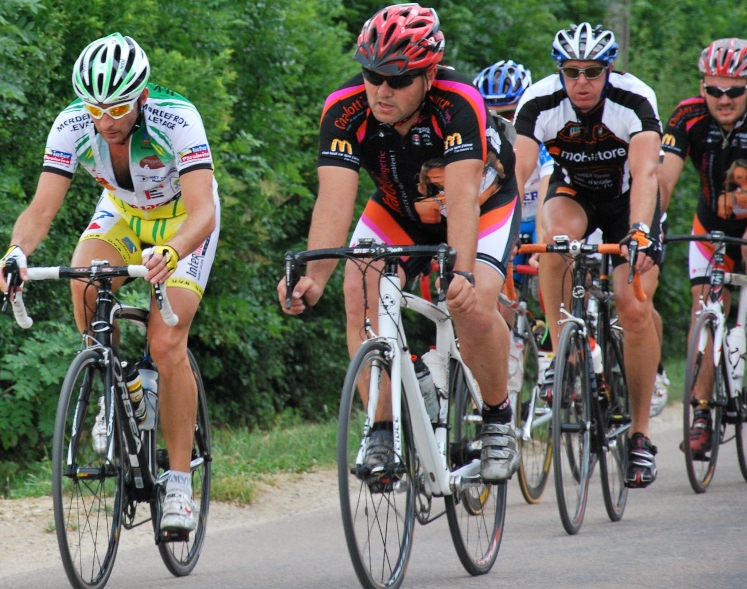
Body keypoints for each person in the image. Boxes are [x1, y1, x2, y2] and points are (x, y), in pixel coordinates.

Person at [277, 4, 522, 482]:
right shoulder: (344, 108)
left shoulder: (459, 102)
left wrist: (463, 273)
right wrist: (311, 279)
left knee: (473, 305)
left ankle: (496, 420)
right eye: (372, 74)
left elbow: (465, 197)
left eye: (398, 79)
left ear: (428, 74)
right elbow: (334, 202)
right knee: (359, 288)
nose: (381, 90)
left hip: (481, 205)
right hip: (400, 210)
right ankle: (382, 431)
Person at [0, 33, 220, 532]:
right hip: (121, 216)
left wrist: (173, 250)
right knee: (85, 281)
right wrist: (17, 252)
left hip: (184, 225)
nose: (107, 121)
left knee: (166, 342)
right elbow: (41, 209)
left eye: (118, 107)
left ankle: (179, 482)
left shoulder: (176, 117)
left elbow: (204, 210)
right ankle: (117, 385)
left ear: (140, 96)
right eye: (95, 108)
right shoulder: (73, 124)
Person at [513, 22, 663, 488]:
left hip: (627, 202)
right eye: (571, 71)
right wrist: (498, 238)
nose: (581, 81)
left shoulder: (634, 101)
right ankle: (563, 357)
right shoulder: (539, 102)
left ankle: (639, 436)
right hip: (573, 191)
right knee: (555, 241)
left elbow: (645, 174)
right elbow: (518, 173)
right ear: (559, 71)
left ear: (608, 70)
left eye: (592, 72)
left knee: (633, 304)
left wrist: (638, 231)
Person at [659, 38, 747, 453]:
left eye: (734, 90)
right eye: (714, 89)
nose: (723, 98)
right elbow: (663, 178)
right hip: (712, 218)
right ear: (703, 88)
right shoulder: (687, 115)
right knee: (703, 309)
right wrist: (649, 224)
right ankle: (700, 412)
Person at [473, 60, 556, 397]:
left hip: (543, 214)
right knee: (499, 301)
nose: (502, 122)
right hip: (507, 217)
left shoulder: (538, 135)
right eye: (493, 114)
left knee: (549, 273)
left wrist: (543, 244)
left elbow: (549, 186)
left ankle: (554, 354)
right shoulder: (481, 140)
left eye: (509, 113)